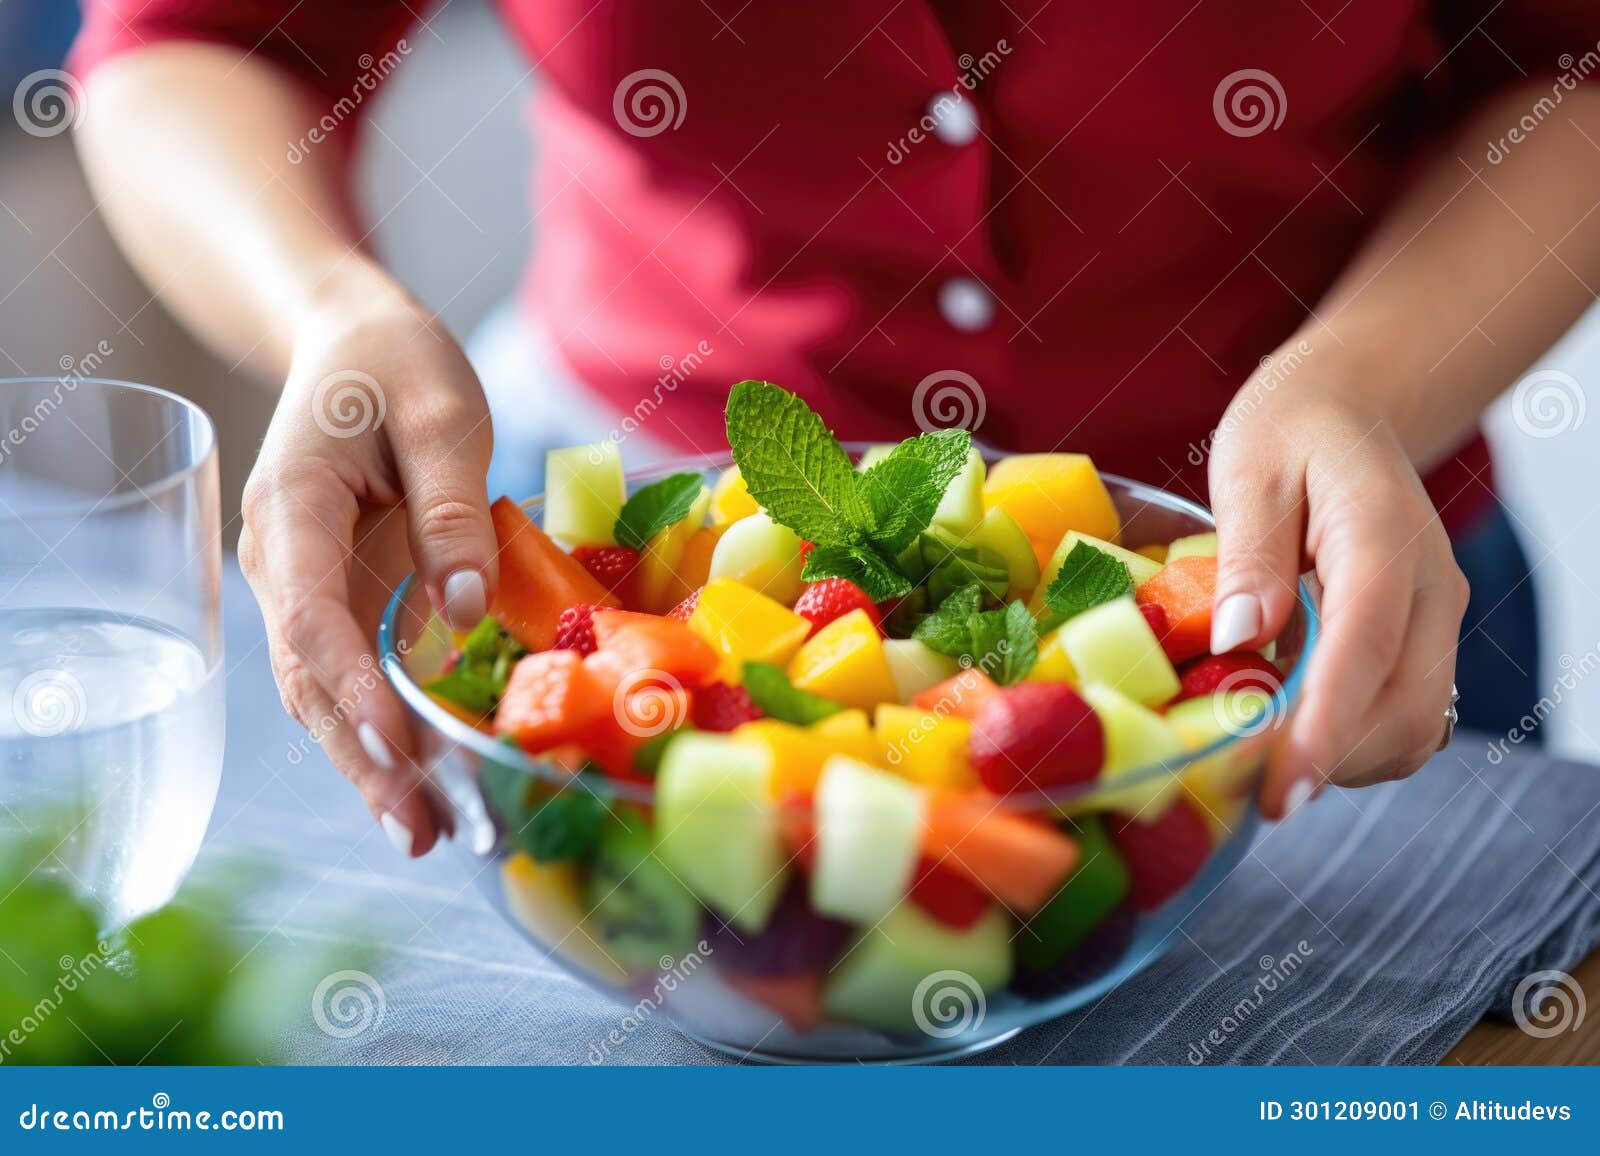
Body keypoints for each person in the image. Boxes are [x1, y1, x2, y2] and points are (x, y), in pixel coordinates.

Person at [70, 3, 1598, 856]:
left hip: (1336, 564)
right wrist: (330, 313)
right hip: (583, 579)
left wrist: (1365, 384)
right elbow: (195, 40)